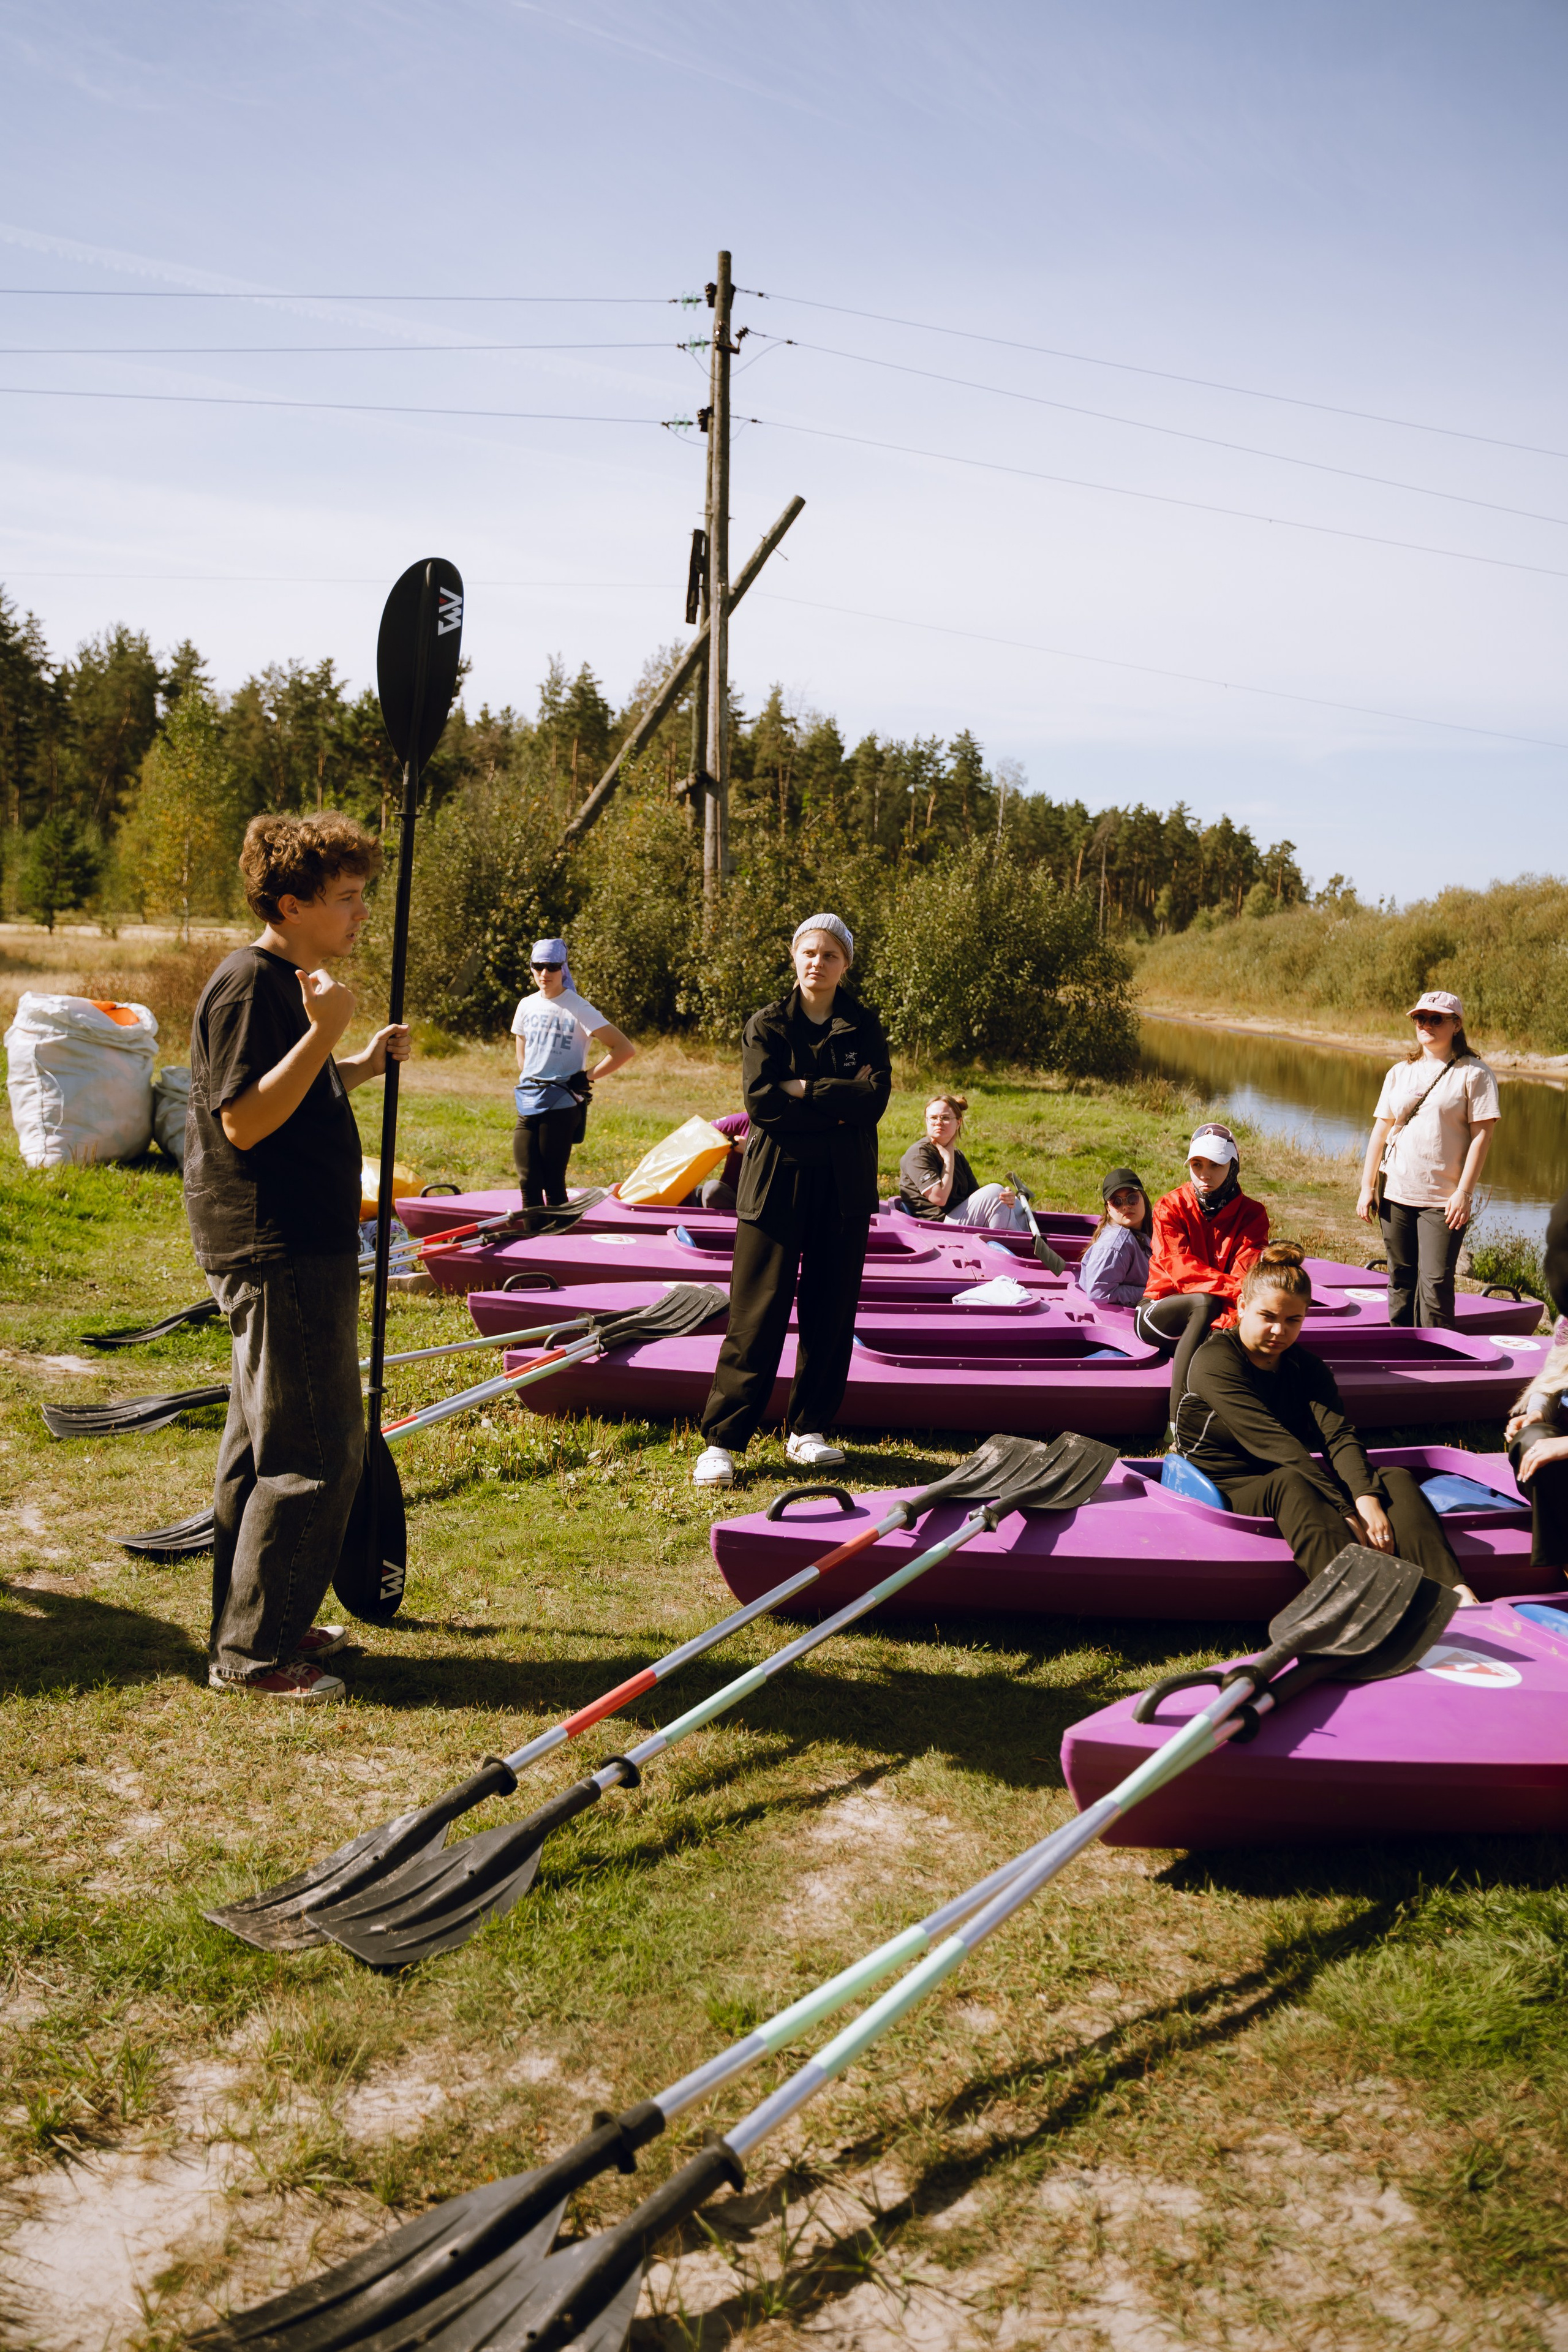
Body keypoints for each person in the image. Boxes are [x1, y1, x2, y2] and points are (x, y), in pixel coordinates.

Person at [185, 813, 411, 1701]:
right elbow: (241, 1118)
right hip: (276, 1245)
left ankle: (262, 1618)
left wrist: (352, 1061)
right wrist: (325, 1033)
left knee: (261, 1444)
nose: (361, 916)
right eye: (347, 900)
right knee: (316, 1450)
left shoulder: (291, 985)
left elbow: (294, 1098)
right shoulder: (252, 984)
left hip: (295, 1240)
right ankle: (255, 1654)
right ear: (291, 905)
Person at [693, 913, 891, 1488]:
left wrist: (803, 1087)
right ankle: (724, 1441)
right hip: (775, 1185)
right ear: (793, 956)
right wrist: (836, 1102)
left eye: (830, 955)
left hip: (844, 1188)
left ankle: (809, 1431)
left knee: (830, 1314)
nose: (817, 963)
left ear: (845, 964)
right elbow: (762, 1106)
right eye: (809, 951)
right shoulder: (767, 1026)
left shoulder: (863, 1025)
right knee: (757, 1313)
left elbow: (873, 1100)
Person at [1176, 1243, 1476, 1599]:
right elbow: (1274, 1442)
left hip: (1284, 1471)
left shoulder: (1308, 1368)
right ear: (1242, 1307)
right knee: (1290, 1482)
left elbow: (1338, 1437)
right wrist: (1344, 1508)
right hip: (1223, 1481)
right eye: (1267, 1317)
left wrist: (1366, 1498)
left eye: (1293, 1321)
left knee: (1393, 1479)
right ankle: (1358, 1603)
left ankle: (1454, 1592)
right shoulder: (1215, 1361)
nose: (1279, 1331)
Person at [1355, 990, 1499, 1327]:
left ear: (1456, 1024)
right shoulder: (1399, 1072)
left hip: (1444, 1200)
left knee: (1434, 1284)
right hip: (1396, 1191)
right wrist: (1367, 1186)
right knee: (1400, 1279)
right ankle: (1401, 1354)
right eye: (1420, 1018)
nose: (1426, 1025)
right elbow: (1380, 1131)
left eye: (1437, 1019)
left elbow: (1483, 1136)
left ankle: (1436, 1362)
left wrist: (1464, 1193)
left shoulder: (1474, 1074)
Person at [1136, 1123, 1268, 1424]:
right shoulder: (1170, 1206)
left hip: (1217, 1316)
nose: (1204, 1174)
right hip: (1158, 1313)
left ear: (1233, 1166)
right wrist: (1236, 1304)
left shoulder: (1253, 1215)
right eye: (1197, 1164)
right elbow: (1182, 1273)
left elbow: (1246, 1273)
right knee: (1203, 1303)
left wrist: (1225, 1325)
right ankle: (1175, 1425)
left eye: (1216, 1165)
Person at [510, 938, 636, 1208]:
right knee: (527, 1181)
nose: (545, 974)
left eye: (553, 967)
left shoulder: (578, 1006)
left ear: (563, 969)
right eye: (538, 966)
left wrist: (586, 1076)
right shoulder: (526, 1005)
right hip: (528, 1101)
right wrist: (532, 1074)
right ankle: (532, 1240)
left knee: (553, 1181)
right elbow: (522, 1049)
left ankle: (556, 1242)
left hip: (562, 1104)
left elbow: (624, 1049)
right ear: (531, 967)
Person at [897, 1095, 1029, 1231]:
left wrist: (1005, 1197)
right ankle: (1014, 1245)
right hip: (936, 1226)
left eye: (945, 1118)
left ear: (958, 1123)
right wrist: (948, 1160)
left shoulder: (958, 1155)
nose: (939, 1122)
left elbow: (975, 1195)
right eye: (933, 1118)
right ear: (926, 1121)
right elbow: (939, 1198)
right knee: (995, 1191)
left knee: (1012, 1201)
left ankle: (1028, 1244)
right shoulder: (919, 1154)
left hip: (960, 1219)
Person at [1077, 1168, 1153, 1306]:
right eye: (1117, 1202)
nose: (1126, 1206)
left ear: (1143, 1197)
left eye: (1132, 1198)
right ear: (1108, 1208)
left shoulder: (1150, 1227)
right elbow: (1098, 1292)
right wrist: (1152, 1294)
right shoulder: (1114, 1246)